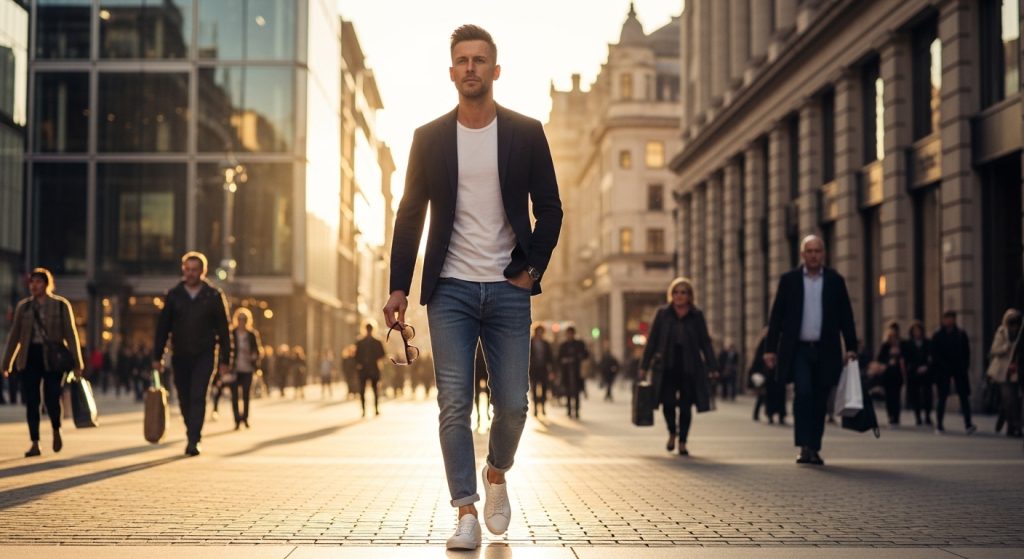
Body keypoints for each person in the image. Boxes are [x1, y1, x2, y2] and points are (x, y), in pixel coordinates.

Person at [382, 24, 563, 550]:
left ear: (495, 70)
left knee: (513, 406)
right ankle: (465, 509)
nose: (470, 68)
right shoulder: (429, 137)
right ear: (451, 71)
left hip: (508, 287)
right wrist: (399, 286)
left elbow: (550, 208)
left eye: (479, 60)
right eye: (462, 60)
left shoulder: (526, 132)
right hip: (452, 289)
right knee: (454, 404)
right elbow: (409, 213)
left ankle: (497, 473)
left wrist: (533, 268)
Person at [764, 235, 857, 466]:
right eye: (810, 251)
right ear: (802, 254)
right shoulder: (790, 280)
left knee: (820, 399)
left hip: (826, 350)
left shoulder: (835, 281)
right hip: (799, 350)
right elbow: (776, 317)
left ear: (823, 254)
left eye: (818, 251)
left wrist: (852, 347)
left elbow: (846, 316)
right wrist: (770, 349)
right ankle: (803, 445)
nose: (814, 255)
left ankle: (814, 447)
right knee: (803, 393)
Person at [152, 252, 232, 457]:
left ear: (203, 272)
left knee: (198, 395)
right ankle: (191, 430)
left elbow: (224, 330)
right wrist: (157, 357)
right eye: (187, 269)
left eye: (194, 270)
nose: (190, 273)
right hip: (180, 355)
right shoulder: (174, 295)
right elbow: (163, 328)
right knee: (184, 398)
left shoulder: (213, 296)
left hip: (205, 354)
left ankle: (194, 439)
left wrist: (225, 359)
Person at [2, 268, 85, 457]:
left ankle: (56, 429)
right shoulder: (24, 307)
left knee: (52, 398)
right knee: (32, 401)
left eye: (38, 282)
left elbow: (71, 334)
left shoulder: (61, 305)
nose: (34, 286)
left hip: (54, 359)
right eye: (32, 282)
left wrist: (78, 363)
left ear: (47, 285)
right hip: (30, 357)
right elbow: (14, 336)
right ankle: (35, 442)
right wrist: (7, 363)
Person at [640, 277, 719, 457]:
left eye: (683, 292)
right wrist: (644, 365)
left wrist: (713, 366)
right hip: (666, 367)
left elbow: (705, 343)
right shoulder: (662, 314)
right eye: (676, 292)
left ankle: (683, 441)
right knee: (667, 403)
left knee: (685, 407)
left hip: (690, 367)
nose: (679, 295)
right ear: (671, 294)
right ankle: (672, 433)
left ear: (689, 295)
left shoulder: (696, 315)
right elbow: (652, 341)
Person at [931, 310, 976, 435]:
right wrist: (942, 367)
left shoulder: (960, 334)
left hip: (959, 370)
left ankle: (968, 424)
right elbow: (935, 355)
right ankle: (939, 424)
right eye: (947, 318)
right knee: (942, 398)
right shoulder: (938, 335)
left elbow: (966, 353)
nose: (949, 321)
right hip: (943, 371)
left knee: (964, 398)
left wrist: (964, 367)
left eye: (951, 318)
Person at [986, 309, 1022, 437]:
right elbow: (994, 350)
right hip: (1002, 371)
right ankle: (1012, 425)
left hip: (1016, 371)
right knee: (1008, 400)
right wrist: (1005, 347)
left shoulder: (1020, 335)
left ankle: (1012, 425)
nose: (1014, 326)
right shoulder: (1001, 332)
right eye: (1012, 323)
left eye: (1016, 323)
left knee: (1015, 400)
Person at [230, 308, 263, 429]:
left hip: (248, 368)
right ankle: (237, 420)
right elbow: (227, 350)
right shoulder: (232, 333)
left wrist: (254, 355)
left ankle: (245, 418)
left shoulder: (252, 334)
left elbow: (258, 351)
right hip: (234, 369)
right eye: (239, 319)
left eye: (244, 319)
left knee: (245, 395)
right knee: (234, 396)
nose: (241, 321)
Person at [750, 326, 786, 424]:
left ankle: (781, 415)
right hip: (767, 375)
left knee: (779, 395)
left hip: (778, 374)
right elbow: (757, 360)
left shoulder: (778, 342)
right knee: (764, 395)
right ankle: (768, 414)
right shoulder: (764, 343)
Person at [876, 321, 906, 427]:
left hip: (898, 375)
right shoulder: (885, 345)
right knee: (889, 396)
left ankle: (896, 416)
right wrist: (889, 361)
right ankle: (891, 416)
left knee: (897, 396)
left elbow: (906, 357)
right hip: (888, 375)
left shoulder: (902, 344)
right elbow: (879, 359)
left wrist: (899, 356)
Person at [904, 320, 933, 426]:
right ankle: (918, 417)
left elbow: (931, 357)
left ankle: (927, 416)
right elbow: (906, 359)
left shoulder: (928, 342)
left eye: (919, 330)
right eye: (915, 330)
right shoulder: (908, 344)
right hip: (914, 373)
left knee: (928, 395)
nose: (917, 332)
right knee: (915, 396)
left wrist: (926, 367)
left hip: (926, 372)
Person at [557, 326, 589, 419]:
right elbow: (558, 358)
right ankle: (569, 410)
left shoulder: (579, 344)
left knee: (577, 392)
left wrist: (578, 357)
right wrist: (564, 361)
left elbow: (586, 355)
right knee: (568, 392)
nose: (569, 335)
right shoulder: (563, 345)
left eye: (571, 333)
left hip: (577, 372)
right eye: (568, 333)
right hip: (566, 372)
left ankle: (577, 410)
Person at [354, 323, 385, 417]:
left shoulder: (376, 342)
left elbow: (382, 354)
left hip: (372, 368)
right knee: (363, 391)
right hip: (364, 369)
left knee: (374, 390)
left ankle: (375, 409)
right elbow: (356, 356)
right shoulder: (360, 342)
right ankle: (364, 410)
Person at [528, 325, 554, 416]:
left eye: (541, 332)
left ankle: (542, 407)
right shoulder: (530, 343)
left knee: (544, 389)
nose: (539, 333)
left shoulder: (546, 343)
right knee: (534, 389)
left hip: (543, 369)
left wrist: (551, 371)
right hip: (533, 370)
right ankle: (535, 408)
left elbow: (550, 358)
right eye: (538, 331)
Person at [474, 343, 491, 427]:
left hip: (482, 371)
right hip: (480, 371)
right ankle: (480, 414)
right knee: (480, 395)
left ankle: (482, 414)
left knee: (482, 395)